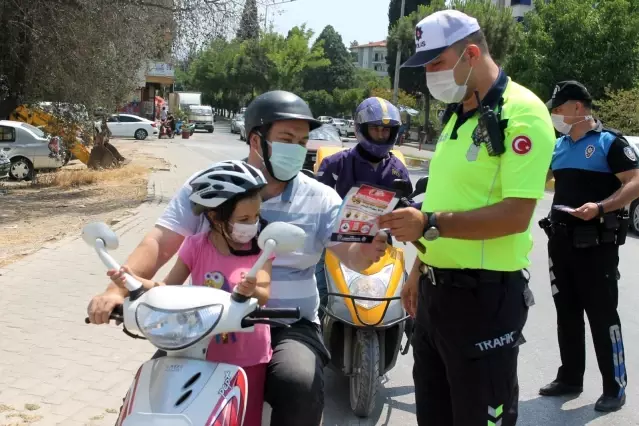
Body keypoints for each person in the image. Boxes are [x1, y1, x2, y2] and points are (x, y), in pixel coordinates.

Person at [86, 90, 388, 426]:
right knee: (159, 382)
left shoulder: (319, 198)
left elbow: (354, 258)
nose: (297, 149)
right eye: (287, 138)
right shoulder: (211, 187)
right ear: (256, 141)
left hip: (289, 325)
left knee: (298, 382)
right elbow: (161, 242)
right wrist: (117, 292)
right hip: (206, 322)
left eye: (303, 141)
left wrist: (369, 249)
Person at [378, 10, 555, 426]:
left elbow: (516, 214)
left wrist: (428, 223)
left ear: (471, 53)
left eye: (436, 64)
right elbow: (447, 198)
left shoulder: (522, 113)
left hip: (484, 300)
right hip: (436, 297)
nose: (429, 76)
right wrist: (420, 269)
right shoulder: (458, 114)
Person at [109, 160, 273, 426]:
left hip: (249, 356)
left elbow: (264, 293)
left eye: (256, 216)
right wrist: (131, 280)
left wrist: (253, 288)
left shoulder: (263, 248)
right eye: (243, 219)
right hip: (198, 352)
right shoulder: (195, 246)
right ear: (214, 216)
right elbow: (167, 287)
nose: (252, 225)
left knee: (244, 418)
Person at [538, 80, 639, 412]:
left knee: (602, 315)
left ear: (578, 107)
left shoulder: (610, 142)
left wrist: (600, 207)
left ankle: (615, 385)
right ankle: (570, 378)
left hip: (596, 245)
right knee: (566, 314)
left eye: (559, 107)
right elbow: (542, 180)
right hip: (561, 243)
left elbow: (635, 181)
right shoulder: (560, 145)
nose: (555, 114)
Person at [314, 96, 411, 318]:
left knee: (406, 297)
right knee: (319, 299)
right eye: (376, 129)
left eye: (386, 131)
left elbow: (406, 205)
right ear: (360, 129)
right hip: (335, 244)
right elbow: (316, 205)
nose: (381, 135)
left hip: (380, 243)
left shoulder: (398, 169)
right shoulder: (334, 163)